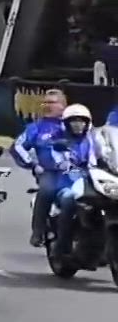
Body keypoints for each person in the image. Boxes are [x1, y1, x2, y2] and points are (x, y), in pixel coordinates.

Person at [12, 88, 68, 248]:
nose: (48, 106)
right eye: (46, 102)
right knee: (47, 190)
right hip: (49, 172)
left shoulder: (77, 124)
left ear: (64, 105)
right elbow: (18, 147)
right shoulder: (35, 128)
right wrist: (33, 164)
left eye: (53, 102)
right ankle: (39, 231)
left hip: (77, 171)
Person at [45, 103, 96, 255]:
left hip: (90, 184)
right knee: (69, 199)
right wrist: (64, 164)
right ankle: (63, 244)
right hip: (66, 184)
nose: (78, 125)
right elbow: (57, 160)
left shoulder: (92, 140)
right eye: (74, 121)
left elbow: (101, 156)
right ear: (67, 124)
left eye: (82, 121)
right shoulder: (59, 142)